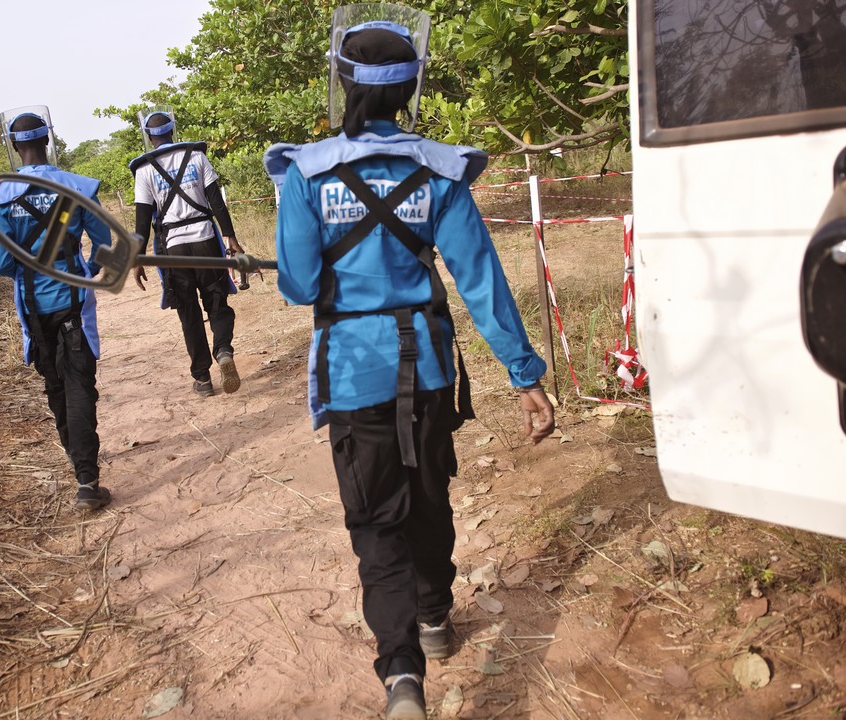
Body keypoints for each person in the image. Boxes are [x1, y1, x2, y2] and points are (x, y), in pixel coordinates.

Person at [263, 6, 556, 719]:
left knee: (374, 521)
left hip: (352, 369)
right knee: (428, 496)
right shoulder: (440, 172)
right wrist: (525, 375)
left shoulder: (306, 173)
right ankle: (434, 618)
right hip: (425, 366)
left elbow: (299, 286)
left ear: (344, 86)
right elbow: (479, 280)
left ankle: (402, 675)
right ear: (406, 92)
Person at [0, 108, 112, 511]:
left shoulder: (1, 195)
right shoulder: (77, 187)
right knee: (79, 386)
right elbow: (104, 241)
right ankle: (87, 481)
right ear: (48, 139)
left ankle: (78, 462)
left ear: (14, 146)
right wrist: (85, 269)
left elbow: (3, 265)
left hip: (33, 307)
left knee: (56, 386)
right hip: (74, 301)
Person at [129, 108, 243, 397]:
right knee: (217, 304)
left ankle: (203, 378)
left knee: (188, 313)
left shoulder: (144, 170)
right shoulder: (196, 157)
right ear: (172, 130)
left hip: (173, 249)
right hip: (206, 240)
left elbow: (142, 221)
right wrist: (231, 239)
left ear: (148, 136)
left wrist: (137, 258)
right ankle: (224, 351)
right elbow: (218, 204)